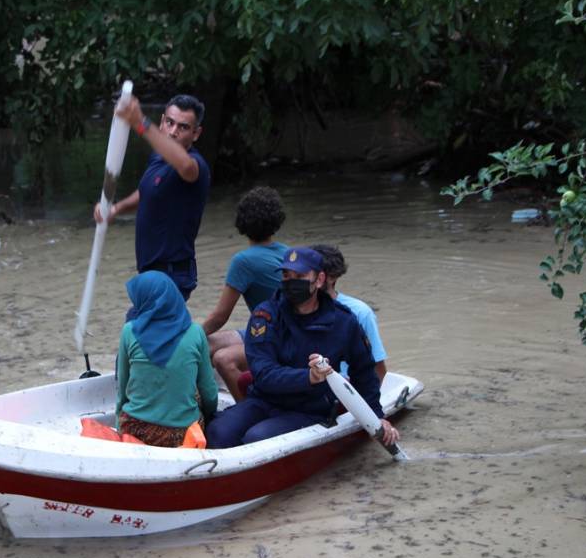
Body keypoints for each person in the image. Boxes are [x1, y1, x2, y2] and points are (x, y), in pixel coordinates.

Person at [205, 247, 400, 449]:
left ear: (319, 279)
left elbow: (364, 373)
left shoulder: (343, 321)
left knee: (257, 438)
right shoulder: (265, 316)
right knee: (217, 431)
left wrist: (377, 416)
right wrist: (309, 377)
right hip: (265, 399)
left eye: (300, 276)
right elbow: (263, 372)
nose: (291, 282)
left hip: (311, 407)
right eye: (286, 276)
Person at [94, 94, 210, 301]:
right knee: (146, 332)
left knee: (134, 330)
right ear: (162, 121)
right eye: (169, 123)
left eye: (183, 127)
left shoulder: (195, 165)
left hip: (172, 275)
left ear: (196, 133)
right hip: (151, 273)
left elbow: (185, 166)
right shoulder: (159, 157)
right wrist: (116, 209)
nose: (173, 132)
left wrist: (140, 123)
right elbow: (148, 191)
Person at [202, 186, 289, 400]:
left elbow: (220, 317)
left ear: (241, 222)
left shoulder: (244, 261)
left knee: (221, 358)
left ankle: (248, 408)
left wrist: (185, 337)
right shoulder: (287, 251)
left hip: (278, 339)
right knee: (207, 344)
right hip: (276, 331)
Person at [116, 271, 218, 447]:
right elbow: (209, 392)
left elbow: (123, 389)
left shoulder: (129, 331)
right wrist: (209, 418)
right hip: (183, 433)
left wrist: (119, 422)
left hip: (135, 430)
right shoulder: (195, 332)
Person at [310, 244, 388, 382]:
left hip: (346, 387)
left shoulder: (360, 313)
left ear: (331, 277)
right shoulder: (291, 309)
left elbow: (377, 365)